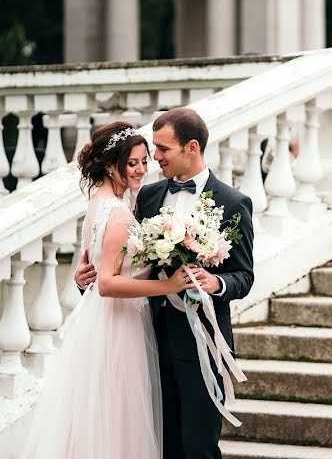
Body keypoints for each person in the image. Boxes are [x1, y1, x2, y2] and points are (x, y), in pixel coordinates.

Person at [76, 107, 255, 459]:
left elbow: (244, 277)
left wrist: (214, 281)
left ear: (192, 147)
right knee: (160, 444)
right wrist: (88, 280)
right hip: (148, 340)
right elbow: (126, 264)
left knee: (199, 446)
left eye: (162, 149)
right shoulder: (146, 197)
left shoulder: (234, 203)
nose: (154, 159)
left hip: (202, 343)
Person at [22, 120, 197, 459]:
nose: (142, 169)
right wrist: (167, 285)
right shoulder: (117, 213)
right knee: (119, 415)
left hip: (103, 321)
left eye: (145, 161)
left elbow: (97, 265)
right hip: (119, 324)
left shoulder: (100, 204)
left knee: (97, 414)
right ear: (108, 164)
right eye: (132, 163)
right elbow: (107, 282)